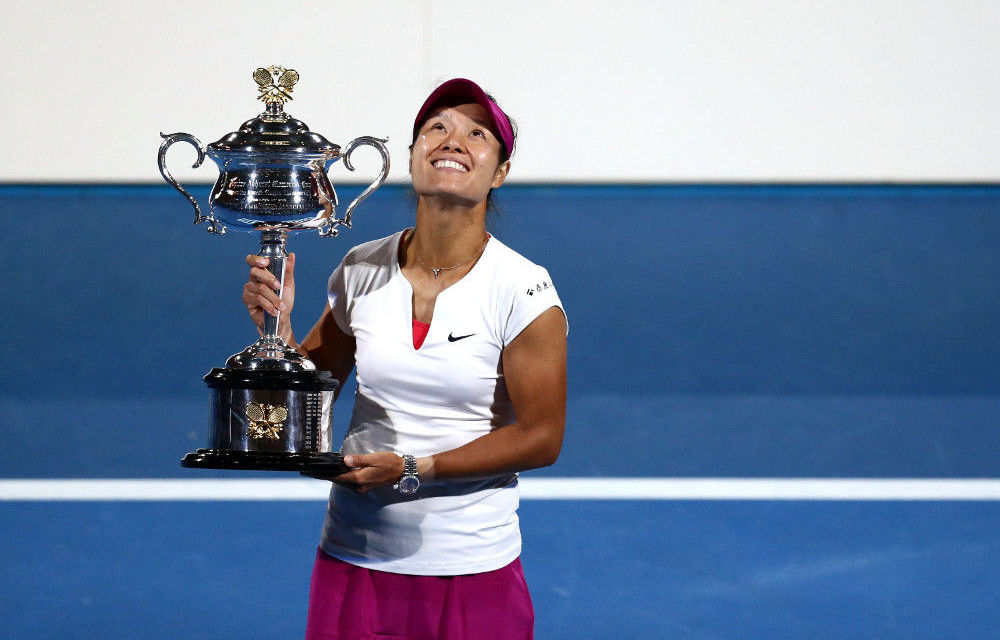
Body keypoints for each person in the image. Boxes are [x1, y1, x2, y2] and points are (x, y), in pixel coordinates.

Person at [242, 78, 568, 640]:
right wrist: (281, 332)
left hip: (470, 574)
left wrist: (417, 468)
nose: (453, 140)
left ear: (500, 172)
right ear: (413, 156)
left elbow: (542, 436)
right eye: (436, 127)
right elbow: (301, 409)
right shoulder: (359, 269)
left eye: (476, 133)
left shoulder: (524, 290)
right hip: (354, 559)